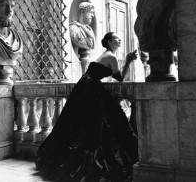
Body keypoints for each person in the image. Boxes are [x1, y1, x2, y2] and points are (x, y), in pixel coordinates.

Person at [35, 32, 138, 182]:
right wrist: (128, 60)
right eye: (116, 38)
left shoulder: (107, 55)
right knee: (92, 124)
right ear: (109, 42)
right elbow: (120, 78)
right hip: (91, 87)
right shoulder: (111, 56)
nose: (119, 39)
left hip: (84, 85)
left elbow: (114, 76)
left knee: (78, 122)